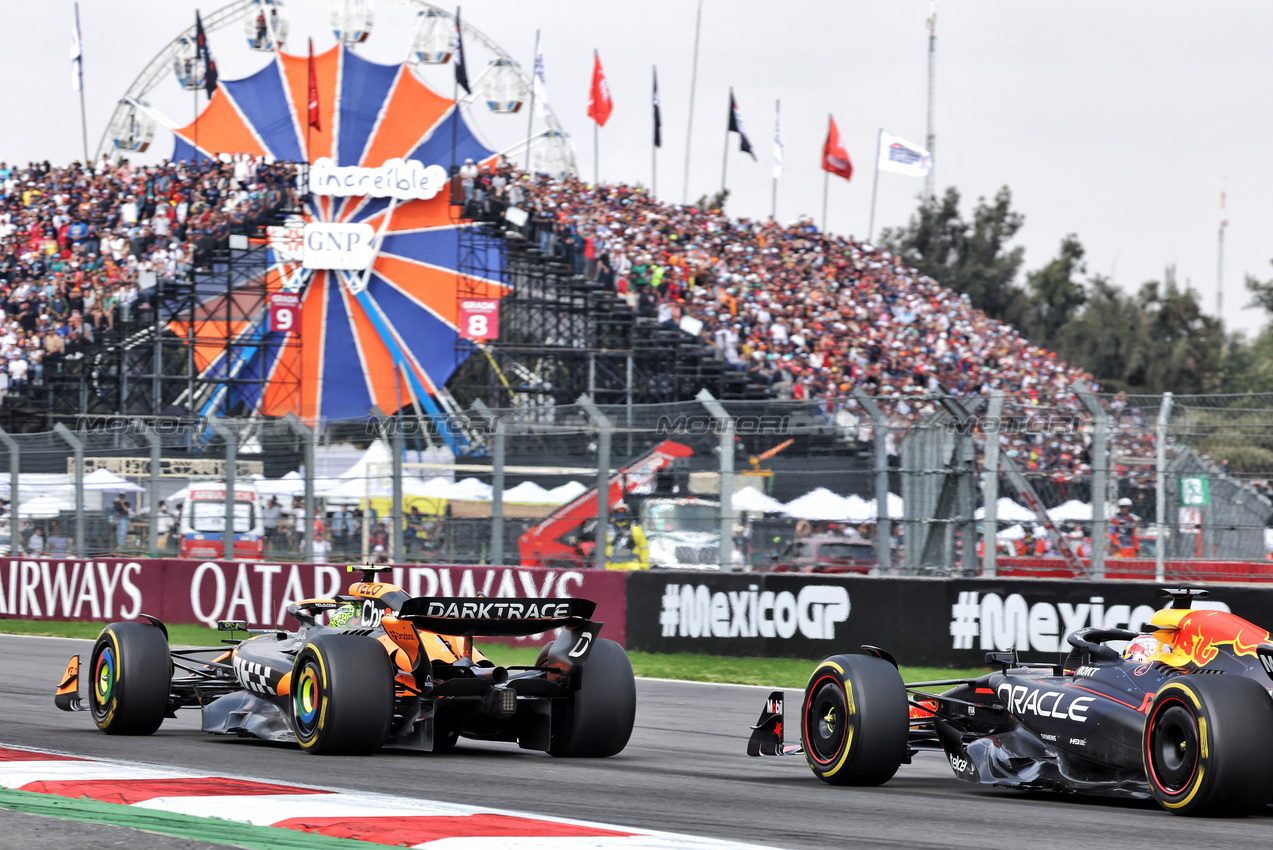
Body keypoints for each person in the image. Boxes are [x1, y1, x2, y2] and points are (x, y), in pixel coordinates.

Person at [605, 502, 649, 570]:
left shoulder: (635, 528)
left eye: (623, 511)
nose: (621, 513)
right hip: (612, 567)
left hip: (631, 566)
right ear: (614, 513)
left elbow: (643, 547)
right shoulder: (608, 529)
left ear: (628, 513)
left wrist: (644, 564)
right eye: (618, 511)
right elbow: (603, 548)